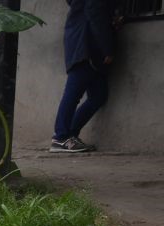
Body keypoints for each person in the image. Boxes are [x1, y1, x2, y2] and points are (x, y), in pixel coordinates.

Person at [51, 0, 117, 153]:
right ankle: (60, 137)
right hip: (86, 49)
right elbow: (95, 14)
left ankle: (70, 134)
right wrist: (107, 48)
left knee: (99, 95)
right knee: (73, 93)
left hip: (85, 47)